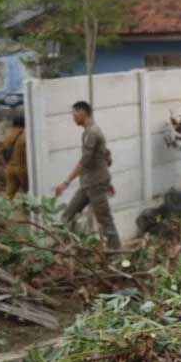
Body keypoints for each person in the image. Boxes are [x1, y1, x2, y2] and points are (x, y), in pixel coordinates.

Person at [54, 101, 120, 250]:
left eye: (74, 114)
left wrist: (66, 183)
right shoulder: (89, 131)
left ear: (83, 112)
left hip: (95, 184)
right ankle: (63, 250)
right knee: (66, 216)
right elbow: (106, 157)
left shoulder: (93, 133)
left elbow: (84, 161)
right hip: (88, 183)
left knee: (106, 221)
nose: (73, 118)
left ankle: (117, 255)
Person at [2, 115, 28, 199]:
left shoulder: (7, 135)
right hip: (22, 169)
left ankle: (5, 210)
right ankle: (28, 211)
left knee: (9, 195)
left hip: (9, 168)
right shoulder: (24, 135)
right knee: (29, 193)